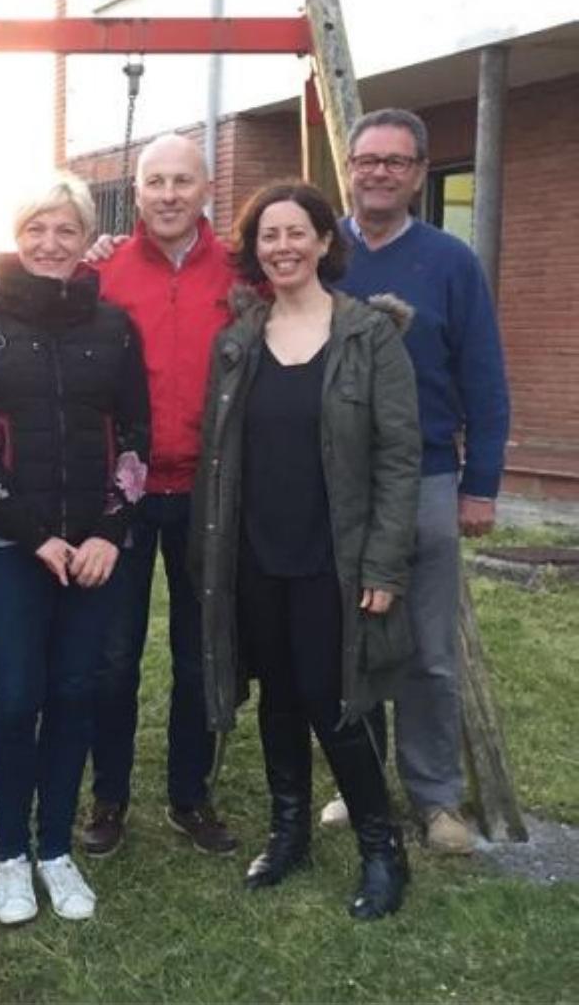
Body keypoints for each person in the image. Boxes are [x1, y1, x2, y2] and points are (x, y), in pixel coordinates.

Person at [191, 180, 421, 919]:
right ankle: (289, 831)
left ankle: (382, 848)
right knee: (279, 699)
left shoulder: (369, 336)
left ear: (325, 241)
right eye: (268, 235)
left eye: (297, 232)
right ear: (255, 250)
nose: (283, 246)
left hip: (336, 556)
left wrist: (384, 564)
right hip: (255, 553)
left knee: (338, 701)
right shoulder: (238, 340)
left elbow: (398, 458)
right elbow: (216, 455)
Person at [0, 173, 150, 924]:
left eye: (66, 229)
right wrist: (37, 536)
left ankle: (56, 847)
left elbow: (136, 435)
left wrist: (107, 532)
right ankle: (11, 857)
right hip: (8, 546)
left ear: (83, 235)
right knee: (18, 695)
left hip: (93, 550)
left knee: (73, 694)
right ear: (17, 233)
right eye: (37, 228)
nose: (50, 243)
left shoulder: (115, 325)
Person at [323, 108, 511, 854]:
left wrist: (482, 483)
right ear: (350, 167)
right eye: (367, 160)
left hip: (430, 475)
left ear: (418, 173)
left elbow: (484, 380)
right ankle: (358, 783)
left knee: (428, 650)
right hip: (338, 482)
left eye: (396, 162)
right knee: (351, 642)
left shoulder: (450, 262)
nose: (379, 173)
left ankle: (436, 801)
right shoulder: (321, 251)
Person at [81, 134, 238, 858]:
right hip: (126, 493)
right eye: (155, 182)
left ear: (207, 187)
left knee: (200, 652)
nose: (169, 194)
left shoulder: (242, 275)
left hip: (211, 490)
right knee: (114, 654)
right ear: (136, 193)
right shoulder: (103, 271)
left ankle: (189, 794)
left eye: (183, 180)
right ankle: (107, 795)